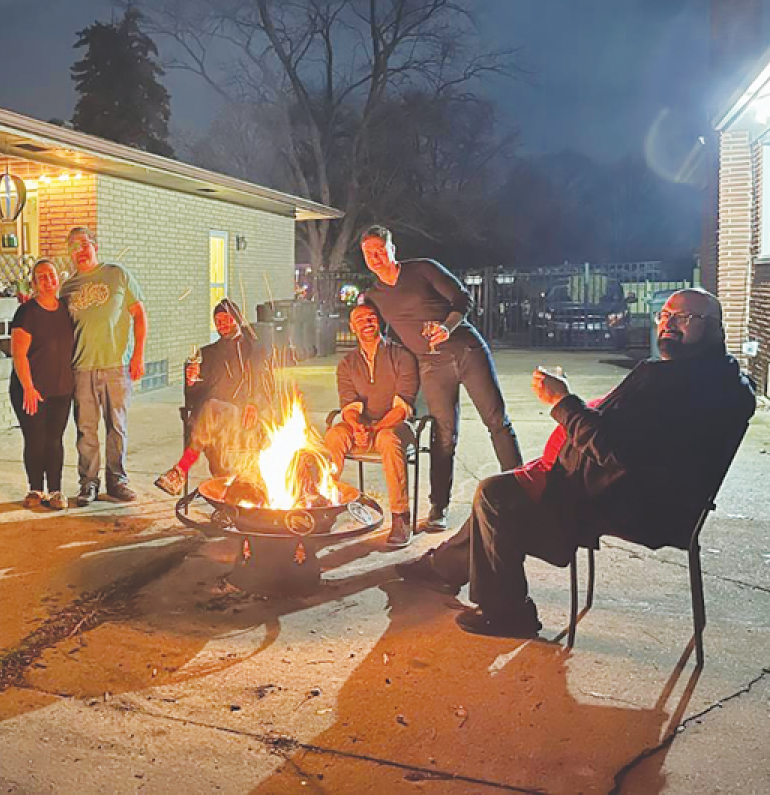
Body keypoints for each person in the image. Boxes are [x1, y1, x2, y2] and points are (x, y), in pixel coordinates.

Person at [396, 288, 756, 638]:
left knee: (496, 494)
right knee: (506, 493)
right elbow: (630, 436)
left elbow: (618, 453)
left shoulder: (680, 384)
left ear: (714, 325)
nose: (668, 324)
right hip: (653, 495)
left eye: (685, 317)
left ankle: (506, 612)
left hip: (632, 502)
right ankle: (439, 567)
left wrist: (563, 402)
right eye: (665, 315)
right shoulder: (721, 379)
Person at [360, 224, 521, 531]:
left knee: (496, 419)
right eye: (369, 253)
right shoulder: (375, 296)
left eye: (381, 250)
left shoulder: (422, 270)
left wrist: (447, 327)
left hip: (466, 351)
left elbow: (463, 299)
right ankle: (439, 506)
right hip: (431, 367)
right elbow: (371, 331)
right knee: (443, 435)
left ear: (393, 249)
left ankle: (522, 490)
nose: (376, 257)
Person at [60, 226, 147, 506]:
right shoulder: (67, 288)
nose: (79, 251)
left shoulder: (117, 274)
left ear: (95, 246)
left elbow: (139, 314)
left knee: (116, 426)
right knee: (86, 429)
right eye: (73, 247)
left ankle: (117, 481)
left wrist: (138, 356)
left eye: (84, 244)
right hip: (82, 367)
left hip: (115, 365)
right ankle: (88, 483)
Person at [323, 303, 419, 547]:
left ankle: (400, 517)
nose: (367, 323)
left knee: (387, 439)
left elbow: (401, 407)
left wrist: (374, 430)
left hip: (396, 427)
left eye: (371, 318)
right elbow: (349, 405)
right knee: (334, 435)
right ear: (352, 327)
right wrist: (357, 427)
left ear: (379, 322)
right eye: (360, 320)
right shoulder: (347, 363)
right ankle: (324, 505)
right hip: (363, 427)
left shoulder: (402, 356)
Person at [154, 299, 273, 496]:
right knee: (210, 408)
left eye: (226, 319)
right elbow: (193, 398)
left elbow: (267, 387)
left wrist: (254, 404)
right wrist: (192, 382)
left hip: (243, 417)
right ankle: (224, 486)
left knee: (211, 409)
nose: (221, 324)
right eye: (217, 321)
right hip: (214, 420)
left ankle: (182, 469)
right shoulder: (207, 353)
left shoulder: (255, 350)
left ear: (237, 319)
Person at [11, 258, 75, 511]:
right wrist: (28, 386)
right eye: (41, 277)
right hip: (31, 390)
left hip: (61, 388)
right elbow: (19, 354)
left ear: (58, 278)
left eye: (51, 275)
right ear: (34, 283)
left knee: (55, 439)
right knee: (35, 439)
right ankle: (36, 489)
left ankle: (56, 490)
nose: (48, 281)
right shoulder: (26, 312)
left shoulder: (66, 309)